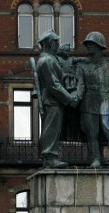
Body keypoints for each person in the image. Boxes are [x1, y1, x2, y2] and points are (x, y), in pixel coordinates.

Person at [76, 31, 109, 168]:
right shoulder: (82, 66)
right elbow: (80, 86)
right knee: (91, 133)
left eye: (91, 44)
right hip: (89, 103)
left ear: (99, 46)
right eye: (87, 45)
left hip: (108, 103)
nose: (88, 47)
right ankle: (95, 160)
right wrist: (74, 98)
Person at [35, 30, 77, 168]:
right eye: (56, 42)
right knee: (51, 128)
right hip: (52, 100)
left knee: (53, 128)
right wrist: (69, 98)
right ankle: (49, 157)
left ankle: (50, 156)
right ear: (49, 43)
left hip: (54, 100)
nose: (58, 45)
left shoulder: (49, 59)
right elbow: (54, 85)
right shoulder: (46, 60)